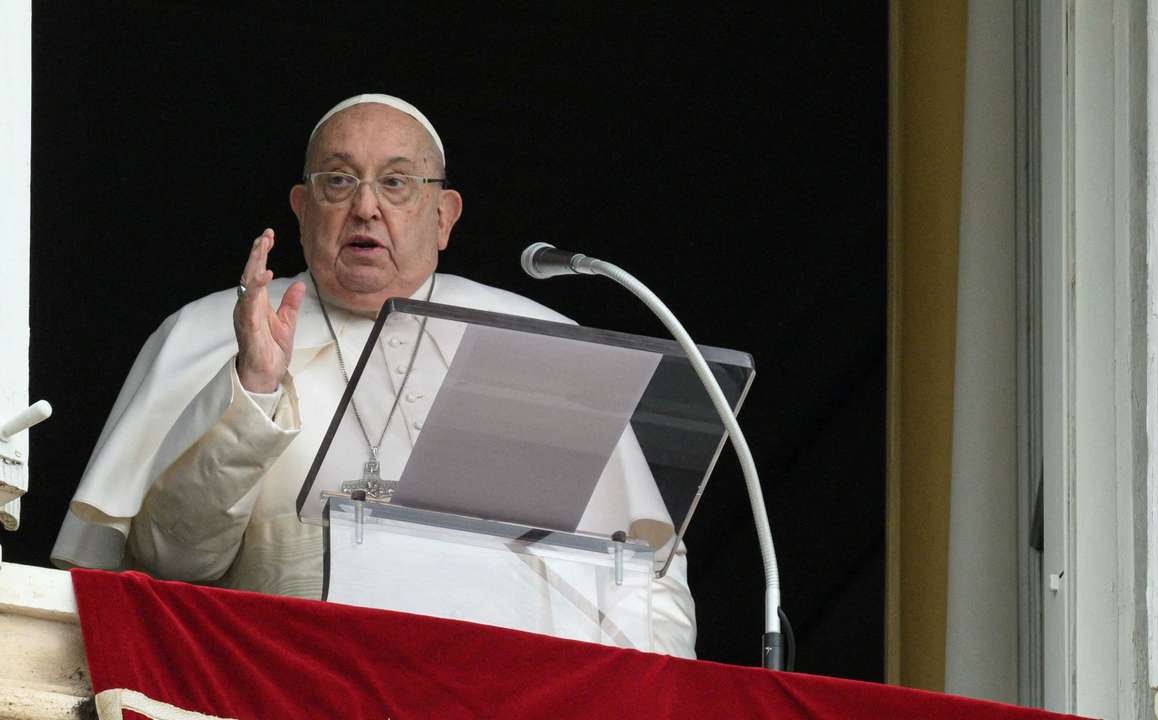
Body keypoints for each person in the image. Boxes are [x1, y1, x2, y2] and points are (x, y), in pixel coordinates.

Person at [52, 94, 696, 657]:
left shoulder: (541, 341)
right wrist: (253, 389)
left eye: (396, 183)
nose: (365, 206)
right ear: (302, 209)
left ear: (443, 216)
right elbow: (165, 570)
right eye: (338, 181)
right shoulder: (210, 330)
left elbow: (646, 578)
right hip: (287, 689)